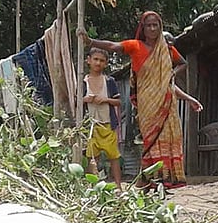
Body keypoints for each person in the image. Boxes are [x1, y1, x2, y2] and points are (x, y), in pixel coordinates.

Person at [80, 12, 202, 188]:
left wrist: (182, 89)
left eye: (156, 25)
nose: (152, 29)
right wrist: (91, 41)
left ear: (160, 27)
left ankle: (165, 178)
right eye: (148, 25)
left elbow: (182, 64)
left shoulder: (167, 50)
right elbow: (113, 46)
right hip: (147, 104)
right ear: (143, 28)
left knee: (167, 137)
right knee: (150, 140)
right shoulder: (135, 46)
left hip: (167, 103)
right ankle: (150, 178)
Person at [81, 47, 123, 189]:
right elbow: (76, 103)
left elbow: (118, 102)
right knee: (92, 157)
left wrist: (105, 100)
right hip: (91, 126)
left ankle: (118, 186)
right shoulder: (83, 81)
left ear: (106, 64)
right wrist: (85, 99)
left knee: (114, 157)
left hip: (108, 124)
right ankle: (93, 186)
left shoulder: (109, 81)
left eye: (102, 61)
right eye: (95, 59)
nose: (98, 63)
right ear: (88, 60)